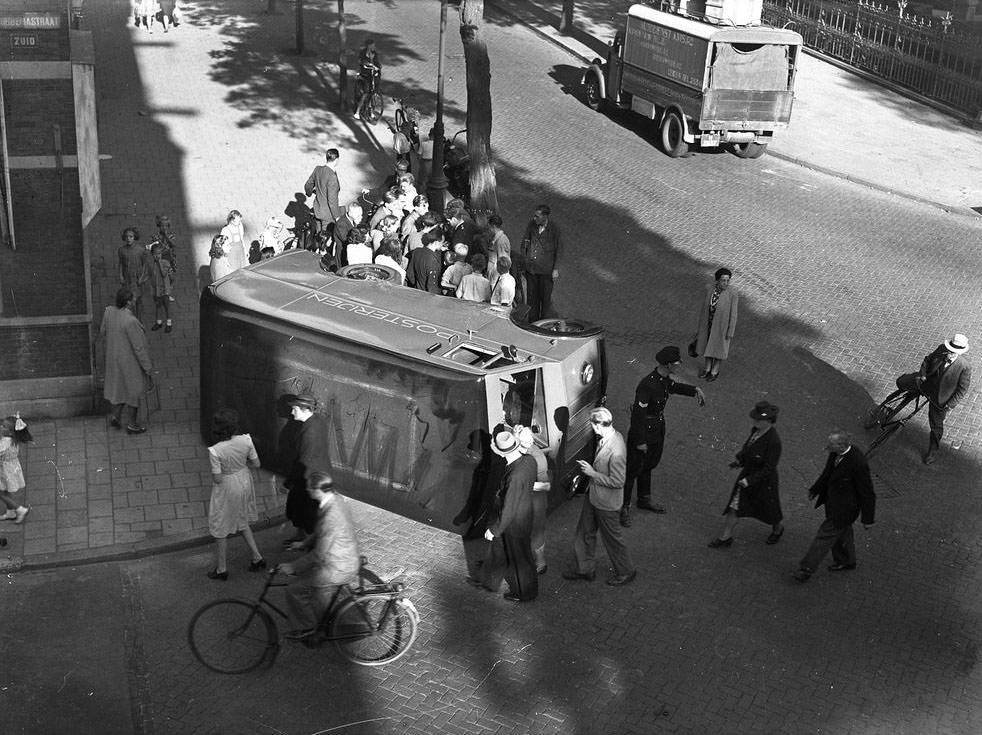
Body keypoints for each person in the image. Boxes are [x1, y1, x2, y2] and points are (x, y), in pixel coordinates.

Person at [621, 345, 706, 524]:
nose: (680, 365)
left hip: (657, 431)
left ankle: (644, 499)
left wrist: (695, 390)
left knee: (649, 465)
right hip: (644, 432)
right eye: (677, 363)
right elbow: (638, 415)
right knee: (632, 470)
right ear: (668, 365)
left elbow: (674, 387)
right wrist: (640, 440)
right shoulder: (647, 385)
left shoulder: (664, 379)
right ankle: (624, 507)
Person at [278, 472, 360, 640]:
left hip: (338, 566)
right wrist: (304, 543)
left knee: (295, 589)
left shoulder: (331, 516)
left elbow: (319, 554)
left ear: (317, 490)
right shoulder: (334, 500)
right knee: (314, 589)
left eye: (309, 487)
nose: (307, 490)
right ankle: (325, 617)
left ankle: (307, 628)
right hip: (342, 556)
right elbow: (320, 531)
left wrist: (292, 566)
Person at [563, 407, 637, 586]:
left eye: (591, 424)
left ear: (597, 426)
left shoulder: (616, 448)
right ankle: (585, 569)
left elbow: (618, 481)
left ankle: (626, 571)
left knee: (612, 539)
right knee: (584, 532)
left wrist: (592, 473)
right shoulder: (609, 437)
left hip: (607, 503)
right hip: (594, 496)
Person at [792, 430, 876, 582]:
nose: (827, 447)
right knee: (842, 533)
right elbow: (828, 473)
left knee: (823, 537)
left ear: (842, 445)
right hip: (833, 503)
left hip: (844, 509)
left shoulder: (858, 463)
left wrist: (868, 519)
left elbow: (867, 492)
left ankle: (806, 569)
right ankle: (847, 560)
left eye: (831, 444)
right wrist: (815, 489)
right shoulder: (835, 453)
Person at [708, 401, 784, 548]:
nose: (754, 421)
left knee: (769, 508)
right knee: (734, 505)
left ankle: (778, 527)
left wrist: (749, 480)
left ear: (768, 421)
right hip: (748, 476)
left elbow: (769, 468)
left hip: (763, 482)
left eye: (758, 419)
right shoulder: (755, 431)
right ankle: (725, 537)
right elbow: (748, 448)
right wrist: (740, 460)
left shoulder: (774, 442)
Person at [475, 429, 538, 602]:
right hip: (524, 515)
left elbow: (509, 508)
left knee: (520, 558)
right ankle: (489, 580)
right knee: (506, 551)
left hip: (514, 522)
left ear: (502, 452)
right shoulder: (529, 461)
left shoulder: (514, 476)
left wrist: (494, 530)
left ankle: (525, 593)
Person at [894, 334, 971, 465]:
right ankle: (887, 406)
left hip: (940, 400)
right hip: (926, 383)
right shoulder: (941, 349)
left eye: (954, 353)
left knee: (936, 426)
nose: (950, 354)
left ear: (959, 353)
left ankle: (932, 451)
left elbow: (962, 390)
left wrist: (949, 405)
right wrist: (922, 375)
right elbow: (927, 360)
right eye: (949, 350)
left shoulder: (964, 367)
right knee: (901, 382)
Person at [206, 409, 265, 580]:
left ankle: (222, 568)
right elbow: (257, 463)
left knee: (220, 525)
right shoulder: (246, 440)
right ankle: (257, 557)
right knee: (241, 519)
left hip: (227, 486)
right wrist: (241, 466)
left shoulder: (215, 450)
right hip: (244, 480)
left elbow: (217, 479)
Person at [99, 288, 153, 435]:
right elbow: (139, 348)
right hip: (130, 363)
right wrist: (147, 368)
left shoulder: (109, 312)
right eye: (133, 299)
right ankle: (133, 425)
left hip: (114, 360)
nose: (135, 301)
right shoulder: (130, 321)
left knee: (118, 389)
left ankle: (115, 417)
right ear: (128, 302)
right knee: (133, 394)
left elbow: (103, 331)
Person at [282, 393, 330, 544]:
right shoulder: (317, 420)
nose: (291, 412)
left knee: (305, 511)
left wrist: (288, 483)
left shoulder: (309, 432)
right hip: (317, 472)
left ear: (304, 409)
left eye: (294, 409)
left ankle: (313, 544)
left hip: (309, 477)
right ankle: (302, 535)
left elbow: (304, 460)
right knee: (300, 508)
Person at [514, 426, 550, 575]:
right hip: (525, 500)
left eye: (521, 444)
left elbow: (545, 485)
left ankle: (540, 563)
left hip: (536, 502)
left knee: (536, 533)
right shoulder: (523, 449)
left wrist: (525, 484)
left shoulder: (538, 459)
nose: (519, 448)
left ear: (529, 443)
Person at [692, 267, 739, 381]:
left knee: (719, 351)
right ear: (717, 280)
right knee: (708, 346)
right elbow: (704, 309)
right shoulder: (710, 289)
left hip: (722, 328)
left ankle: (714, 371)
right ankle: (707, 369)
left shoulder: (732, 294)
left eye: (728, 280)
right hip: (709, 324)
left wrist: (730, 331)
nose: (726, 283)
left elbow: (734, 315)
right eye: (723, 280)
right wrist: (700, 328)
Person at [519, 205, 562, 322]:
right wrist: (525, 259)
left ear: (545, 216)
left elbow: (559, 249)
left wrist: (556, 269)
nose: (534, 218)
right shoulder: (531, 225)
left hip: (546, 271)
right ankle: (533, 323)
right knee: (532, 299)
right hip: (531, 270)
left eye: (537, 216)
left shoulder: (555, 229)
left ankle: (544, 323)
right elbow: (524, 243)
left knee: (545, 299)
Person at [0, 414, 31, 524]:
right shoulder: (13, 439)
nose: (1, 427)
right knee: (5, 490)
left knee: (1, 493)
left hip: (4, 470)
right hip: (11, 468)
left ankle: (20, 509)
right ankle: (10, 512)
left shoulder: (5, 443)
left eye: (4, 426)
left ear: (10, 432)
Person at [304, 148, 342, 235]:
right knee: (325, 240)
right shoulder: (332, 177)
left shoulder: (318, 169)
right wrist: (336, 216)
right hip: (328, 214)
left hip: (317, 209)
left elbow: (308, 185)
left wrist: (309, 193)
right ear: (337, 160)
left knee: (318, 235)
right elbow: (332, 201)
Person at [117, 227, 150, 322]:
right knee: (128, 299)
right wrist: (121, 276)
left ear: (134, 237)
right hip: (127, 278)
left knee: (138, 299)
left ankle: (138, 319)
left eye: (131, 236)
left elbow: (145, 265)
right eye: (126, 237)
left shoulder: (140, 250)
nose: (128, 239)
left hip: (137, 279)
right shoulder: (121, 250)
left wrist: (142, 278)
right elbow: (120, 264)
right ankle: (129, 318)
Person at [405, 228, 445, 294]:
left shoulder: (416, 251)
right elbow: (432, 287)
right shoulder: (433, 261)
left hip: (416, 290)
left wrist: (417, 285)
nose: (442, 245)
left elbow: (409, 273)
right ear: (436, 242)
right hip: (427, 295)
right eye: (442, 242)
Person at [148, 241, 174, 334]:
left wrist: (159, 262)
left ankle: (169, 323)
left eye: (159, 254)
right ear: (152, 255)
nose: (157, 256)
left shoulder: (165, 263)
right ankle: (159, 322)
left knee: (167, 306)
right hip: (156, 290)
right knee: (158, 306)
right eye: (155, 254)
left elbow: (163, 274)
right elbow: (151, 276)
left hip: (165, 290)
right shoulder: (151, 264)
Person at [353, 38, 381, 120]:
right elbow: (362, 62)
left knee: (372, 93)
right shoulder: (363, 53)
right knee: (366, 93)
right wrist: (367, 64)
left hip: (373, 75)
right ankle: (357, 112)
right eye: (372, 45)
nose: (374, 47)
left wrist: (377, 67)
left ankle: (371, 111)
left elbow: (377, 64)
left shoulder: (374, 54)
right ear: (368, 46)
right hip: (365, 75)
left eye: (374, 45)